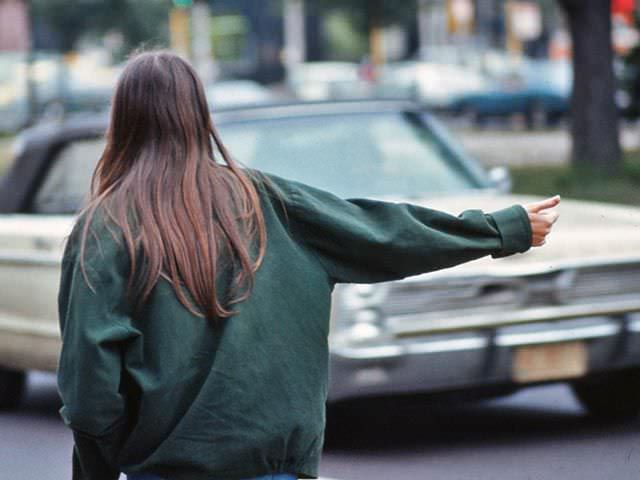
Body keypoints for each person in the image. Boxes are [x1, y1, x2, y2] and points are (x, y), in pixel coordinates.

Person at [56, 50, 560, 480]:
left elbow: (89, 394)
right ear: (198, 114)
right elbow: (385, 232)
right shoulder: (270, 202)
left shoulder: (105, 227)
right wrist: (499, 228)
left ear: (122, 119)